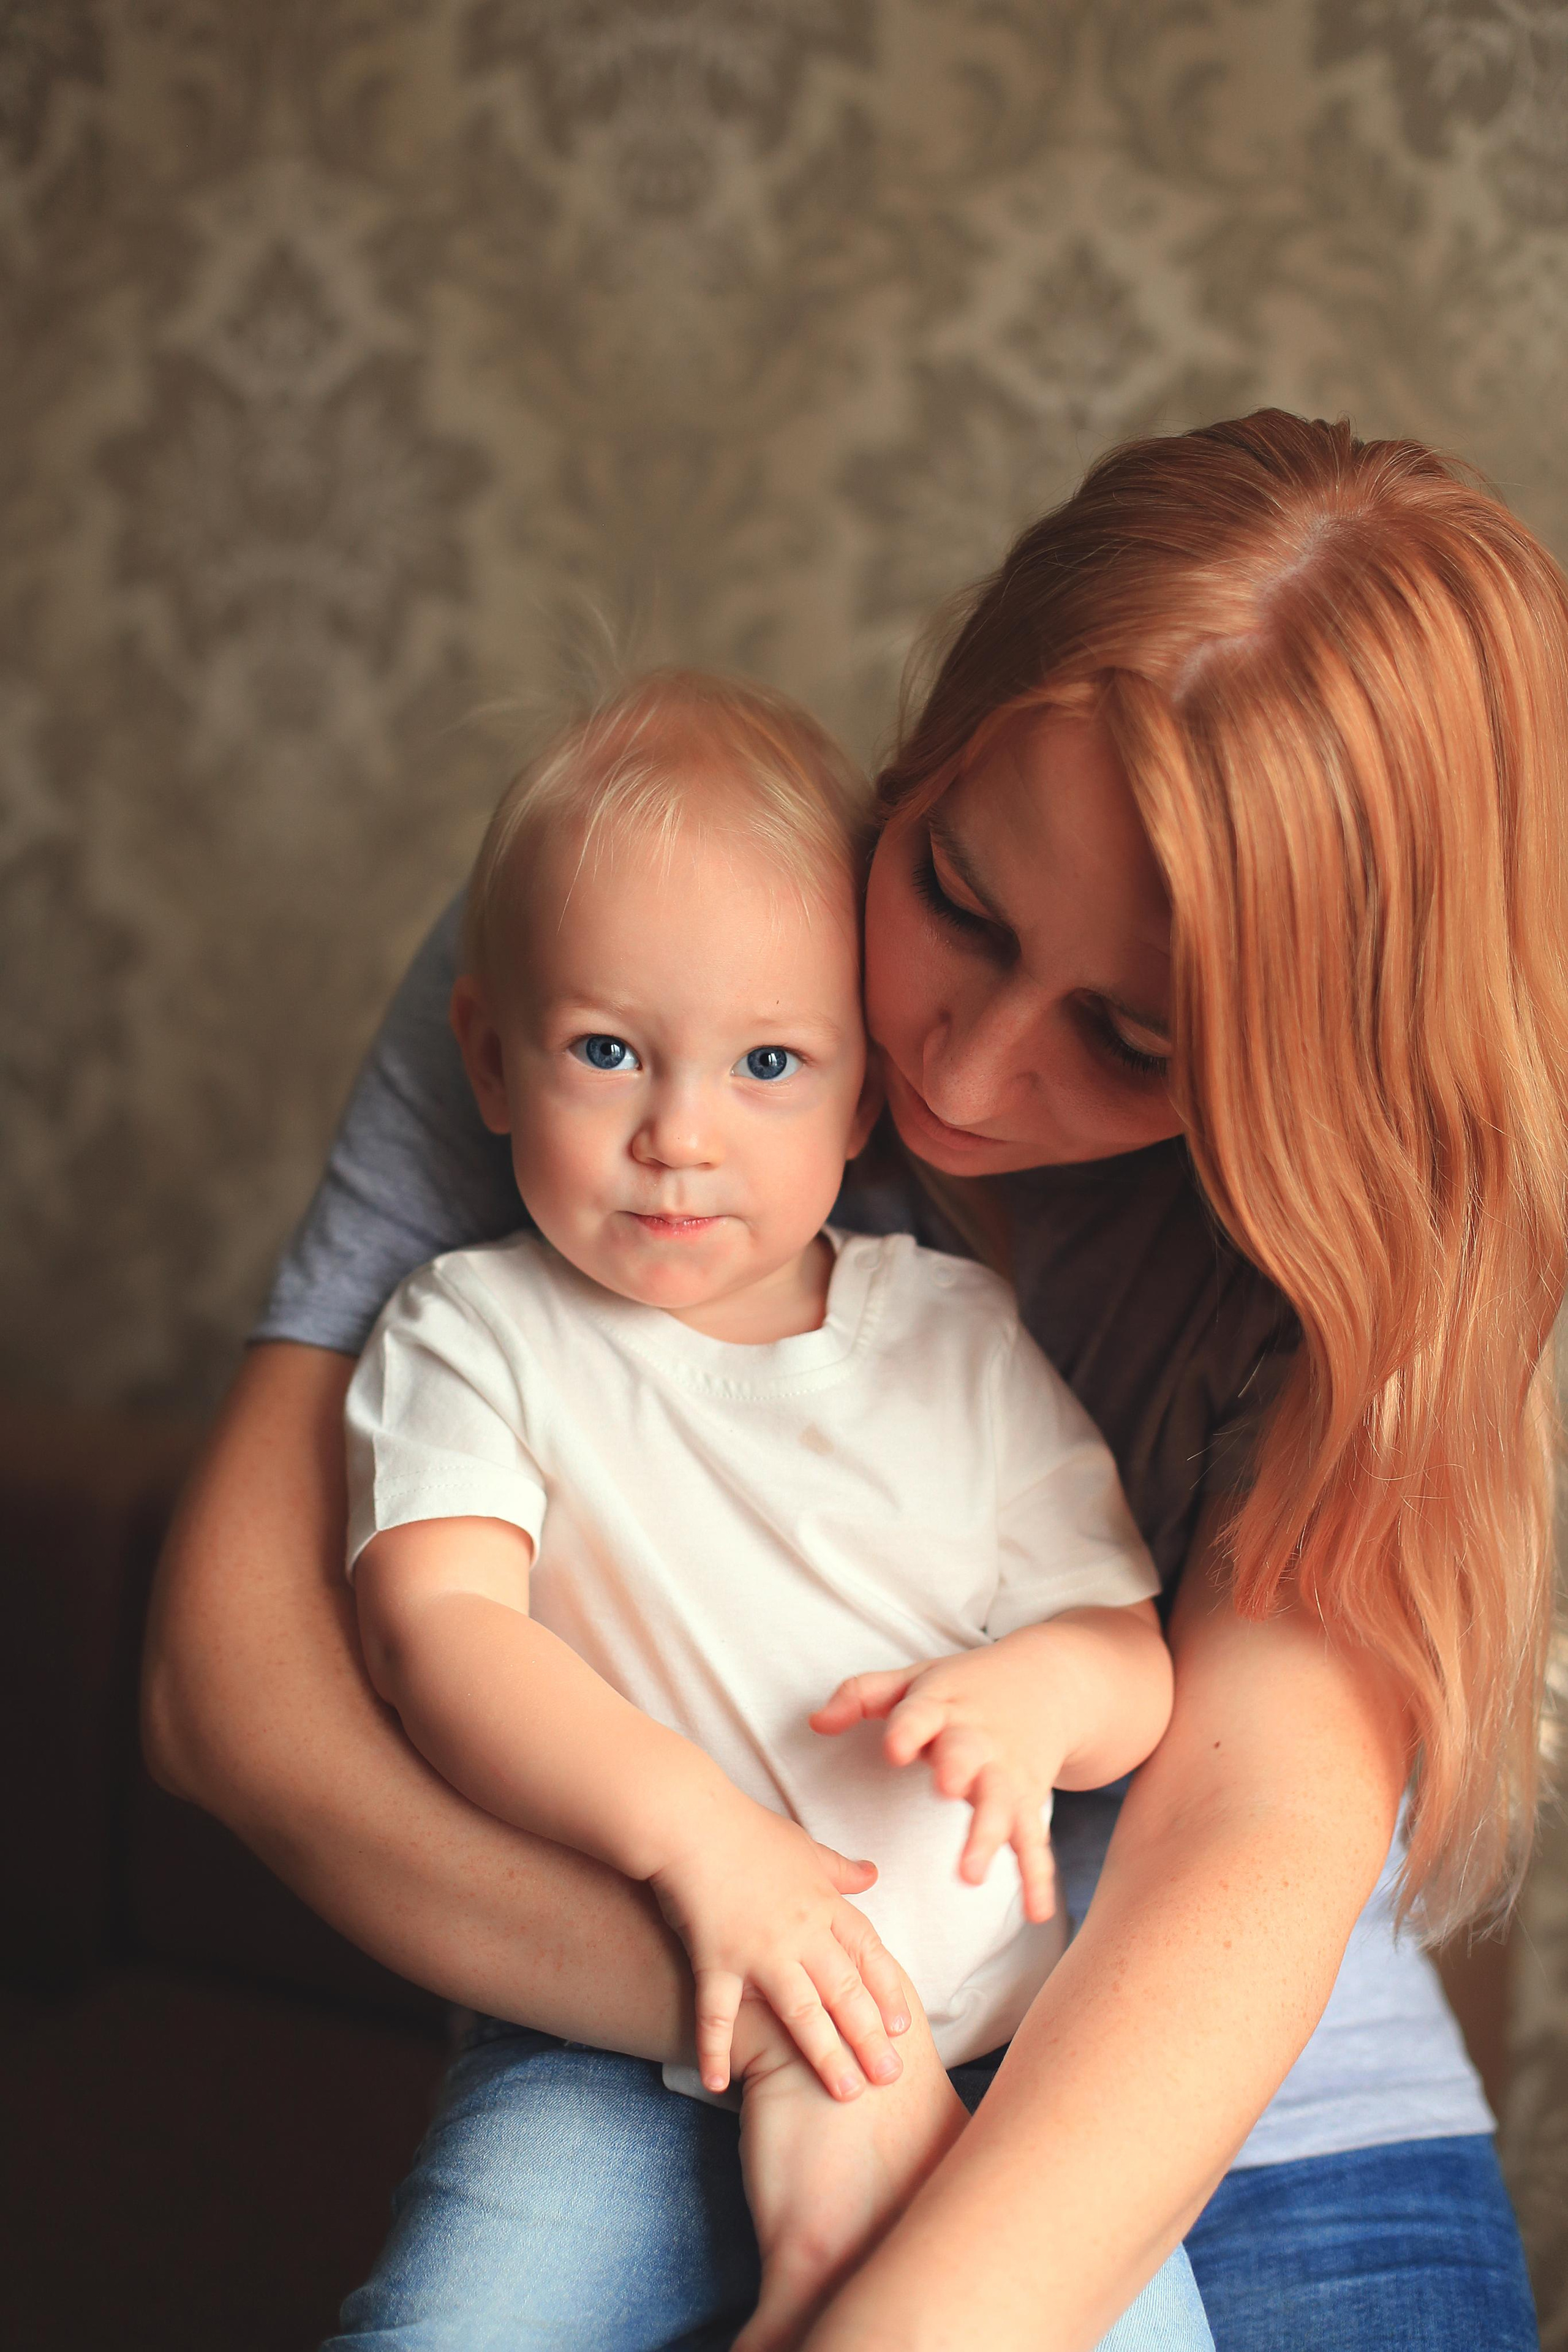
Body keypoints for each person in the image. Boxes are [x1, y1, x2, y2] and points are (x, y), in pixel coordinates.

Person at [143, 410, 1562, 2351]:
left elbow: (1239, 1846)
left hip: (1257, 2098)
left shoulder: (1353, 1258)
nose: (965, 1078)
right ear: (951, 723)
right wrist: (804, 1997)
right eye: (960, 900)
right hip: (676, 2013)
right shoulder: (650, 934)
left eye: (1134, 1041)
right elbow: (232, 1695)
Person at [330, 669, 1205, 2350]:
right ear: (490, 1057)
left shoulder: (950, 1336)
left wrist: (1042, 1699)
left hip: (979, 2053)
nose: (679, 1135)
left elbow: (1132, 1654)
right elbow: (437, 1636)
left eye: (768, 1064)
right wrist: (706, 1847)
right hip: (615, 2042)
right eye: (607, 1052)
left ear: (861, 1099)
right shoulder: (475, 1331)